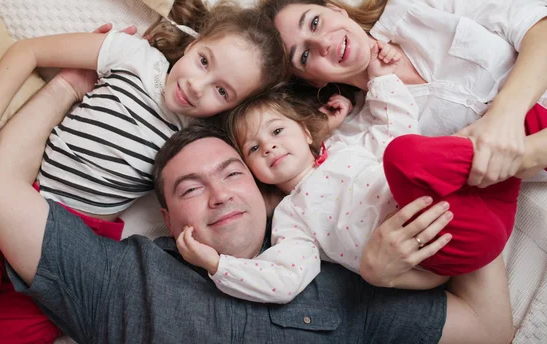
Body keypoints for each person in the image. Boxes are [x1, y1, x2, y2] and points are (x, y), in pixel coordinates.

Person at [0, 74, 513, 343]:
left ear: (263, 188)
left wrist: (406, 266)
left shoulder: (341, 272)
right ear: (168, 221)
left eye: (232, 172)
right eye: (189, 189)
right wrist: (66, 85)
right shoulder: (121, 277)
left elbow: (489, 330)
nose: (221, 193)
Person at [0, 0, 289, 343]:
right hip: (11, 199)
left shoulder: (199, 136)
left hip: (77, 243)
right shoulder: (133, 56)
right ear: (192, 44)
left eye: (221, 91)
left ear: (229, 108)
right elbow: (27, 52)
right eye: (203, 61)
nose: (196, 86)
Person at [174, 50, 546, 305]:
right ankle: (521, 154)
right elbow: (284, 279)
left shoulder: (344, 146)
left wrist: (380, 79)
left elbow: (396, 123)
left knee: (521, 120)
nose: (268, 147)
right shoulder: (291, 217)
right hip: (449, 240)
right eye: (253, 150)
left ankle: (530, 150)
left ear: (306, 133)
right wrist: (218, 265)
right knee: (404, 155)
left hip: (484, 196)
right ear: (253, 173)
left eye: (275, 132)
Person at [256, 0, 547, 188]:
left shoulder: (412, 2)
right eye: (304, 56)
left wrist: (503, 117)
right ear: (313, 81)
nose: (323, 43)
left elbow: (538, 24)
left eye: (315, 22)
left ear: (336, 9)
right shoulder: (367, 131)